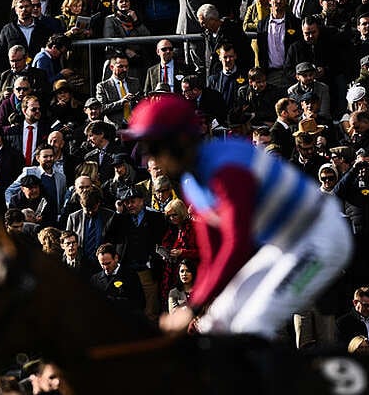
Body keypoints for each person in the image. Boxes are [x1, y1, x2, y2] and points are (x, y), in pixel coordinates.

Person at [124, 97, 352, 339]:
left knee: (253, 323)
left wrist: (191, 309)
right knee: (215, 323)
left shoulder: (226, 169)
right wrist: (196, 309)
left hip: (322, 239)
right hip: (283, 244)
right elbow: (212, 257)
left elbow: (237, 245)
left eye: (155, 149)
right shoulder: (192, 185)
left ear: (180, 141)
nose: (151, 160)